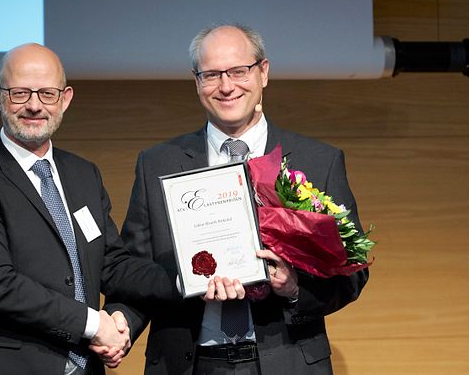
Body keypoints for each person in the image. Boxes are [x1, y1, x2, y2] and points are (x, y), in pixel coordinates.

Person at [116, 24, 369, 374]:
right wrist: (181, 283)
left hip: (288, 361)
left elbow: (352, 272)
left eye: (238, 71)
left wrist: (294, 288)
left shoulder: (317, 161)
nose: (226, 85)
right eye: (211, 74)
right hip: (188, 363)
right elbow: (131, 267)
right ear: (197, 82)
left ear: (263, 73)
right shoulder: (156, 164)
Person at [0, 43, 180, 375]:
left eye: (47, 94)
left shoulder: (83, 174)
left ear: (65, 99)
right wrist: (94, 324)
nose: (34, 106)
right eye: (20, 93)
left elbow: (113, 265)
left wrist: (187, 279)